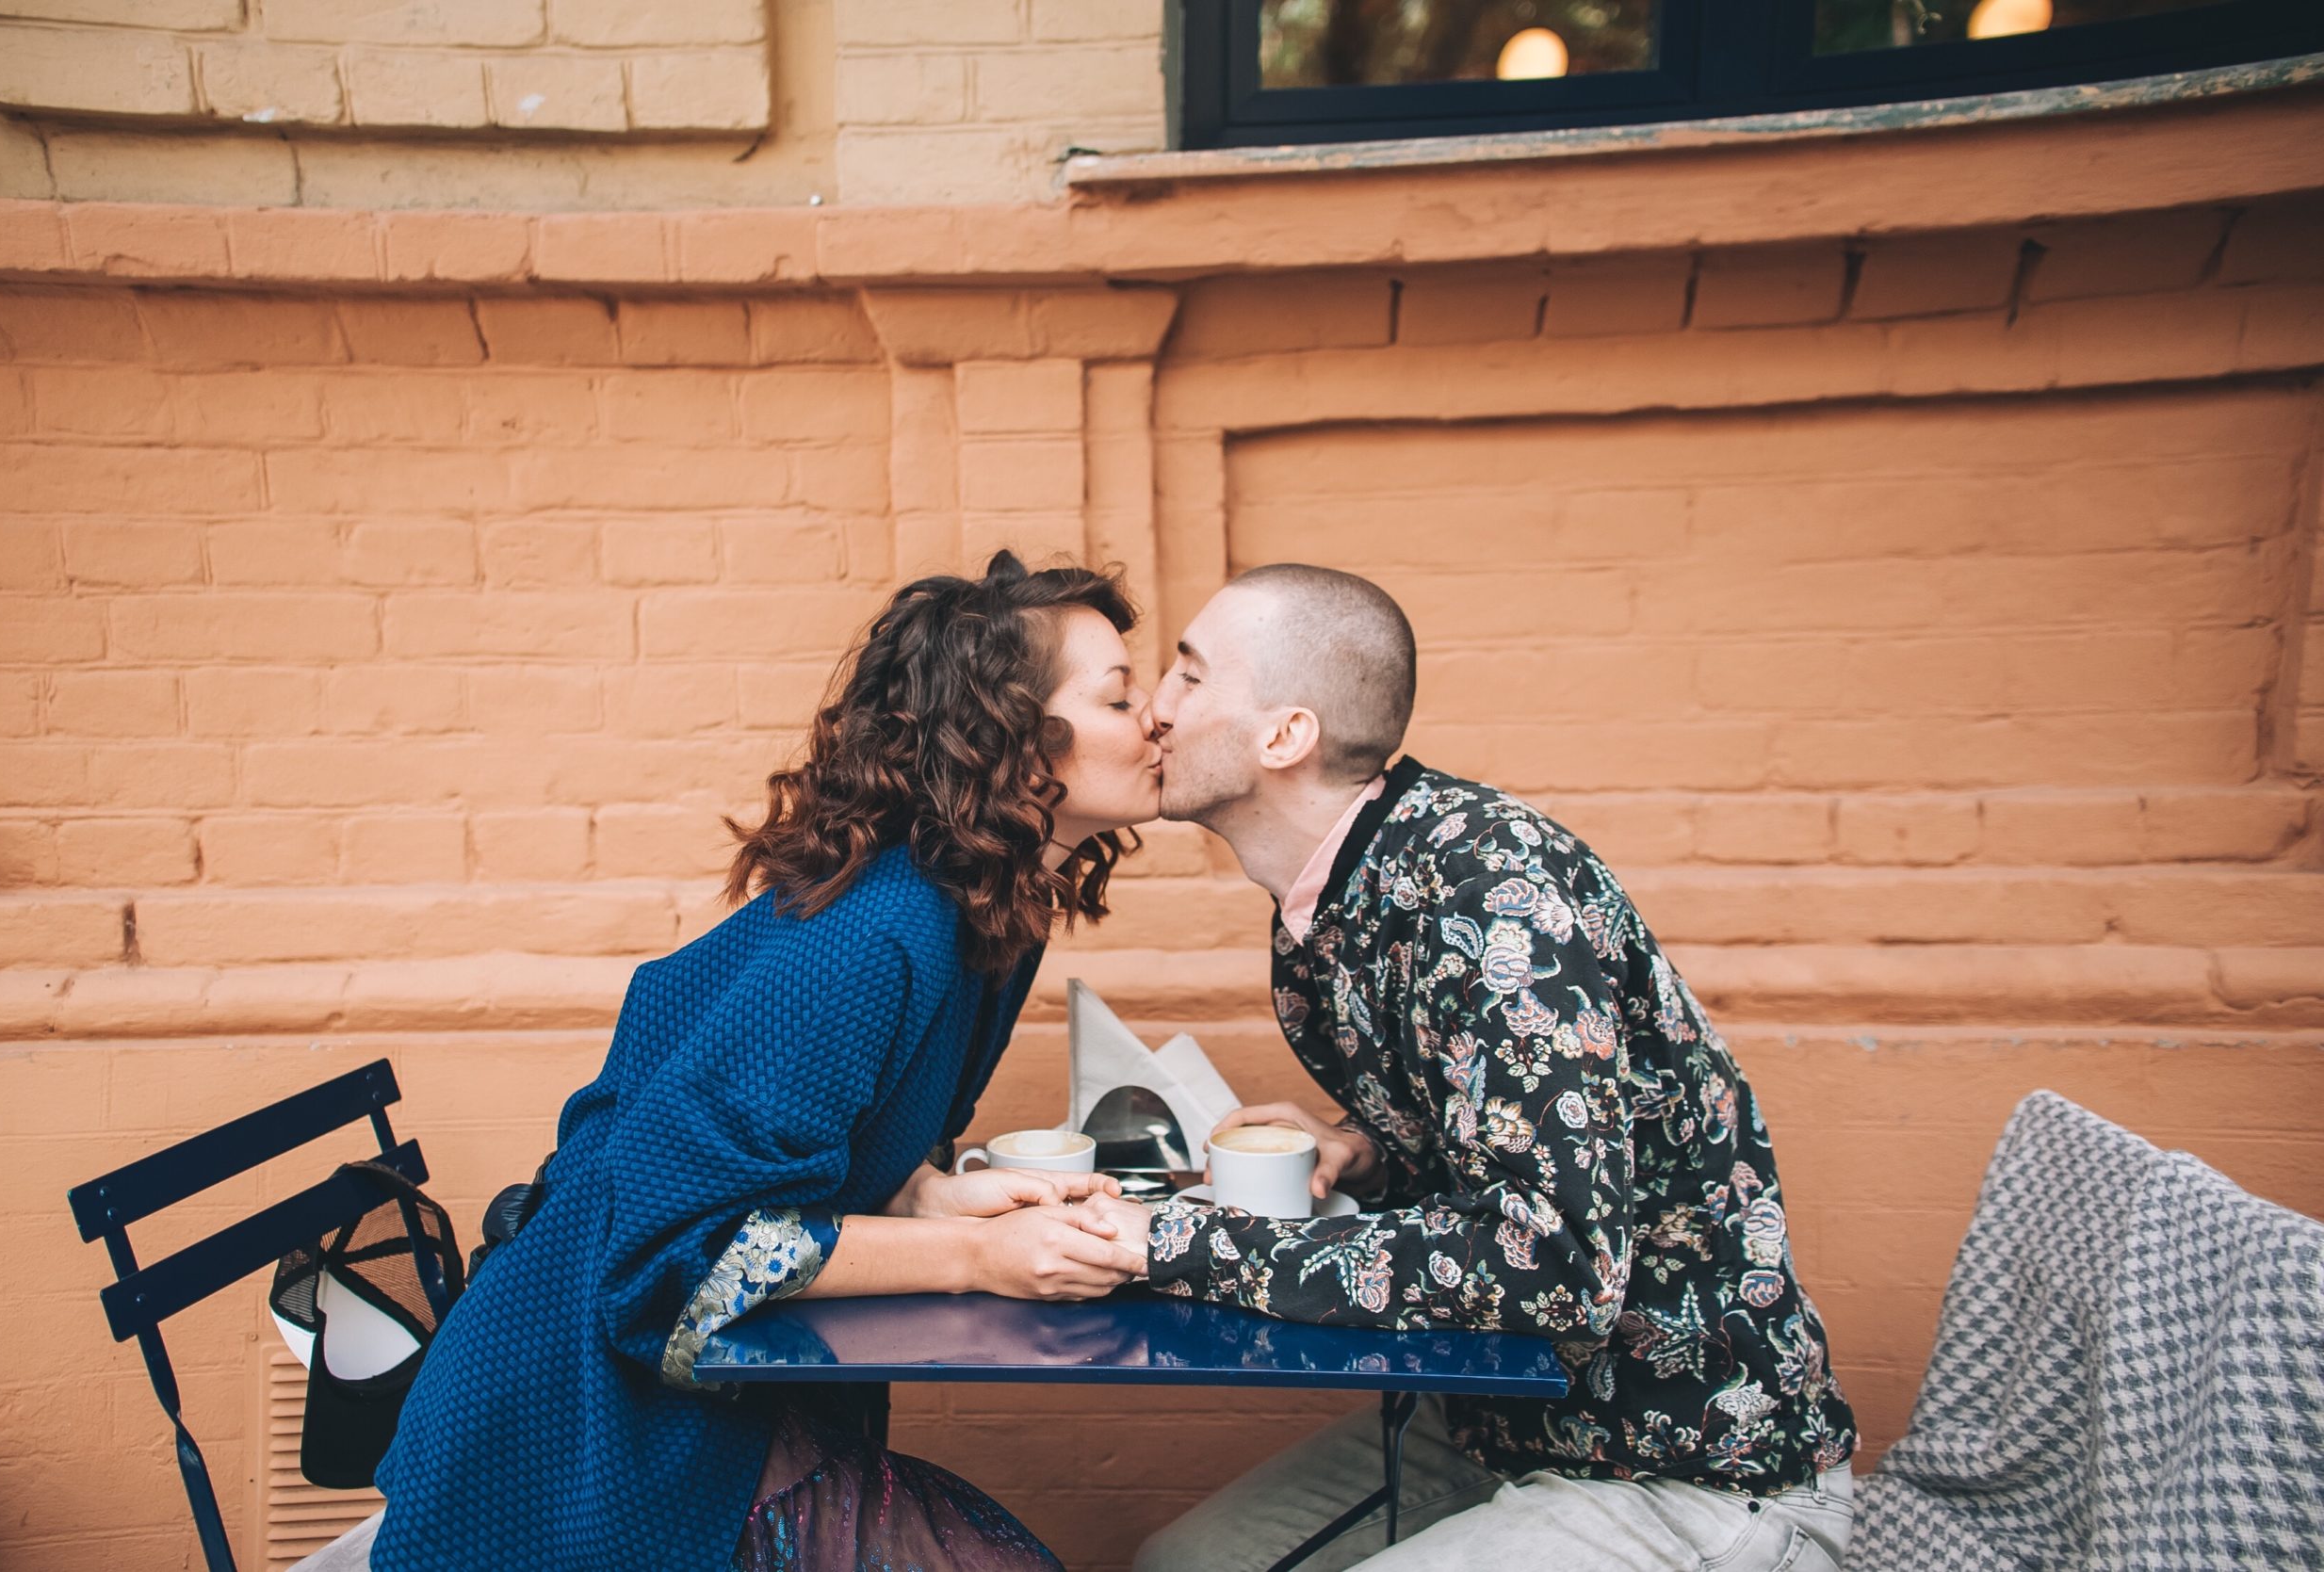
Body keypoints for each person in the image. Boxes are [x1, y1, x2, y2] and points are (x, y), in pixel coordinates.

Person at [372, 552, 1159, 1571]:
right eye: (1120, 696)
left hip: (712, 1406)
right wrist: (975, 1258)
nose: (1158, 719)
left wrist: (922, 1196)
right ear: (1012, 742)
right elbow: (666, 1258)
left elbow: (814, 1132)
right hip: (587, 1429)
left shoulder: (983, 911)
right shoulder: (879, 934)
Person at [1108, 563, 1859, 1572]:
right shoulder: (1346, 892)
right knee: (1180, 1565)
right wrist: (1363, 1152)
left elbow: (1556, 1264)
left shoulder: (1488, 902)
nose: (1154, 709)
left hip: (1686, 1467)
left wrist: (1174, 1241)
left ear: (1285, 735)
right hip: (1500, 1425)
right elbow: (1505, 1127)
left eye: (1187, 677)